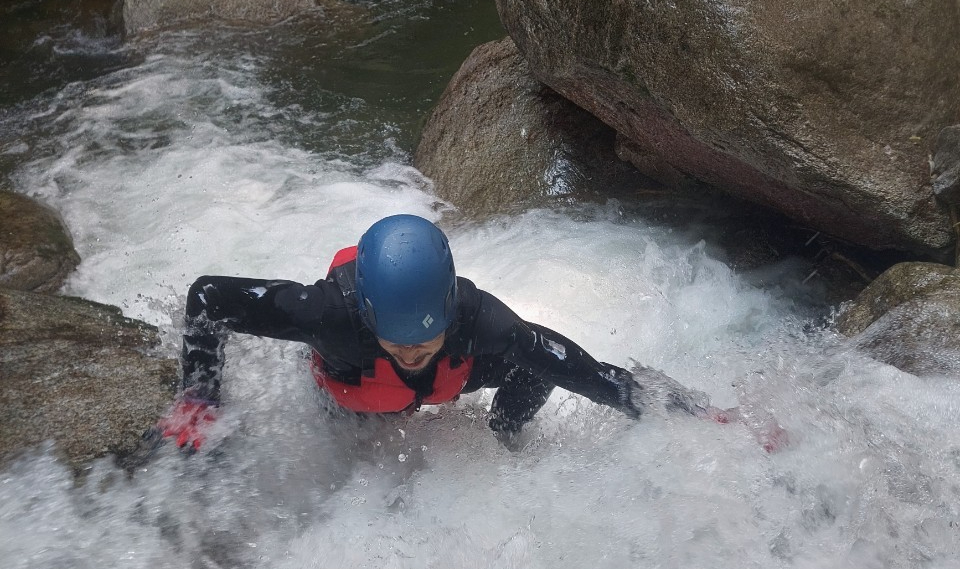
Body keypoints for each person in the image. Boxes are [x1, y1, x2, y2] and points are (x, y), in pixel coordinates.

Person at [159, 214, 759, 452]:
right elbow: (208, 296)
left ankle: (504, 435)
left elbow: (590, 373)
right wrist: (201, 395)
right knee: (361, 413)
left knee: (536, 362)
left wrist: (694, 413)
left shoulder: (481, 320)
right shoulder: (327, 314)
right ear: (368, 317)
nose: (416, 353)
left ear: (449, 309)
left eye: (427, 337)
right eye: (400, 342)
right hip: (350, 392)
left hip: (451, 381)